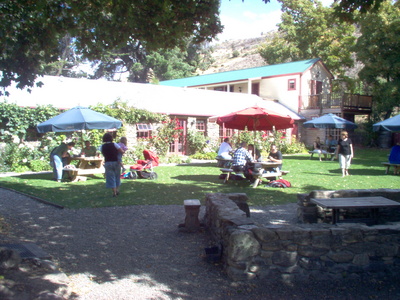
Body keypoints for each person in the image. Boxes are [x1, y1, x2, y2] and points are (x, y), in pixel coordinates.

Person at [101, 133, 124, 197]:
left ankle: (114, 192)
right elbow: (121, 151)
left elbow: (103, 153)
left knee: (111, 177)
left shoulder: (102, 146)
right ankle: (117, 190)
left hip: (108, 162)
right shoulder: (114, 144)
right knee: (117, 176)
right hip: (116, 162)